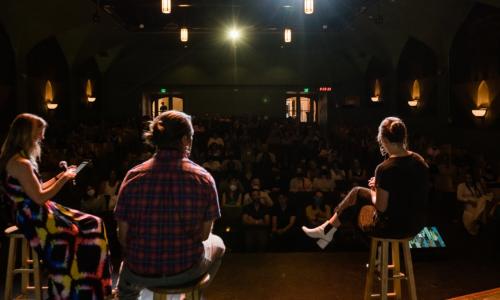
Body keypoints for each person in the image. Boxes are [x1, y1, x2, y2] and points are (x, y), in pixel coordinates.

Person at [114, 111, 225, 299]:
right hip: (185, 270)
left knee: (124, 283)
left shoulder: (133, 176)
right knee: (219, 245)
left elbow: (123, 237)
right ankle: (194, 293)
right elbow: (205, 235)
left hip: (140, 271)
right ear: (184, 140)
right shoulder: (203, 178)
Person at [0, 113, 112, 298]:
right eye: (40, 131)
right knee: (76, 232)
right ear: (26, 133)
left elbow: (36, 189)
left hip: (38, 209)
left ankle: (92, 286)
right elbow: (39, 197)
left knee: (95, 222)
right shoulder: (20, 163)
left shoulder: (19, 159)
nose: (43, 137)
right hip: (31, 215)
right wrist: (64, 179)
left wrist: (61, 176)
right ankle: (74, 288)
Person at [302, 117, 429, 249]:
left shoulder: (384, 168)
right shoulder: (419, 161)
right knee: (357, 193)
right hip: (416, 225)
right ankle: (326, 232)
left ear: (384, 140)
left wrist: (376, 189)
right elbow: (409, 191)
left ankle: (329, 232)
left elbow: (381, 207)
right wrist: (383, 185)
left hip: (393, 227)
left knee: (354, 208)